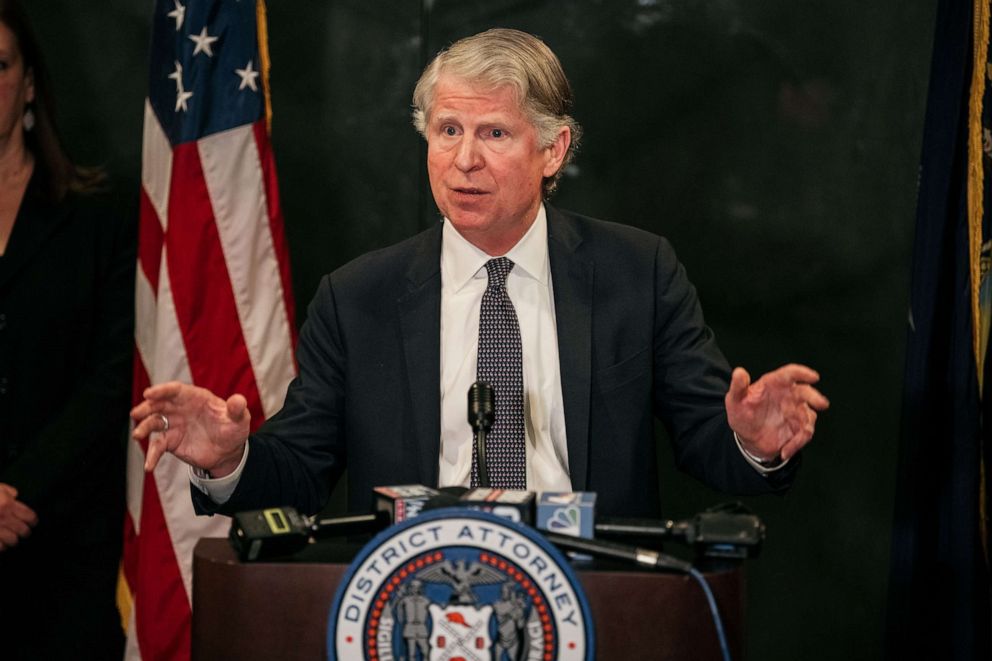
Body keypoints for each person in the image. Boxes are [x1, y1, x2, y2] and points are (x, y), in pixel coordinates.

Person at [131, 28, 827, 520]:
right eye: (446, 130)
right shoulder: (358, 298)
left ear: (553, 150)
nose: (464, 159)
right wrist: (229, 460)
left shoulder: (637, 273)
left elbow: (709, 438)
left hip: (591, 592)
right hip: (413, 598)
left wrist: (754, 441)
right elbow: (301, 470)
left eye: (494, 133)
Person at [0, 1, 135, 658]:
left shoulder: (95, 219)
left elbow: (109, 378)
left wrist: (16, 492)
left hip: (63, 541)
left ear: (28, 83)